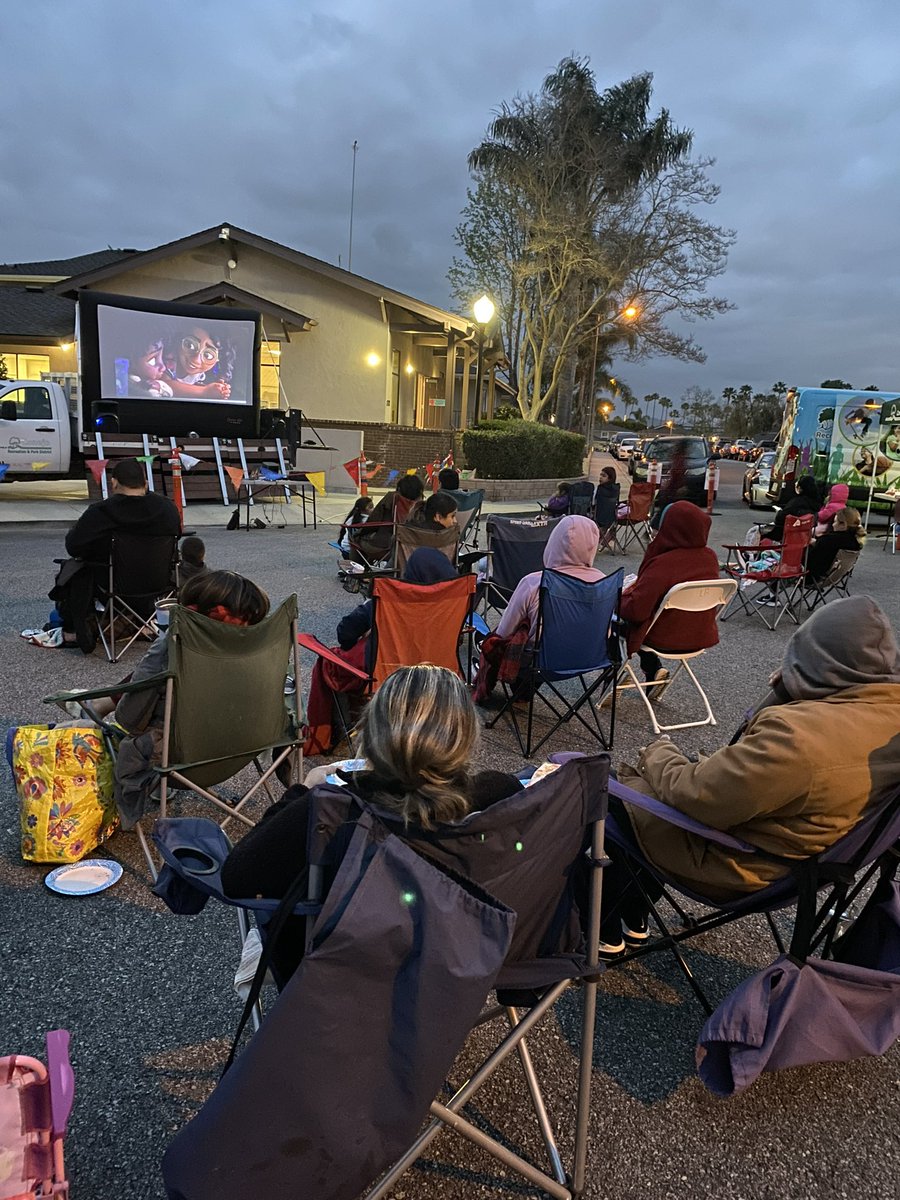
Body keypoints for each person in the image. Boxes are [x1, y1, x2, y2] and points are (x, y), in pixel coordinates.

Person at [600, 595, 900, 955]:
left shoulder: (800, 738)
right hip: (805, 864)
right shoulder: (887, 720)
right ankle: (634, 914)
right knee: (654, 788)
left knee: (607, 796)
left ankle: (602, 925)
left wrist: (657, 751)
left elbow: (698, 797)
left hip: (739, 864)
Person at [223, 664, 523, 985]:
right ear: (466, 735)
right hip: (455, 963)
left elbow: (236, 878)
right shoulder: (501, 794)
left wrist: (304, 790)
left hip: (340, 974)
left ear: (373, 732)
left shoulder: (330, 810)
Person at [304, 548, 460, 754]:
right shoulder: (454, 603)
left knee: (330, 662)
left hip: (387, 673)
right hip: (439, 675)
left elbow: (345, 631)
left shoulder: (390, 599)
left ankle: (339, 733)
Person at [50, 458, 181, 651]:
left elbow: (74, 546)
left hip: (113, 588)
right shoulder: (167, 509)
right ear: (145, 482)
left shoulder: (101, 512)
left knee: (72, 575)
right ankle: (139, 624)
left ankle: (79, 630)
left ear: (114, 482)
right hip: (159, 586)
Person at [473, 515, 603, 701]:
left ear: (554, 543)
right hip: (588, 660)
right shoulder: (604, 582)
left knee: (500, 639)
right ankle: (523, 693)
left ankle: (513, 690)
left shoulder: (534, 582)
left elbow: (503, 632)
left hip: (540, 662)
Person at [618, 501, 721, 699]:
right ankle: (653, 669)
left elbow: (637, 610)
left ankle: (613, 677)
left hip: (663, 637)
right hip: (698, 635)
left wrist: (618, 597)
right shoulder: (709, 558)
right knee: (652, 617)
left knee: (616, 620)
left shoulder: (663, 562)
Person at [355, 474, 424, 558]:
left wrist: (359, 533)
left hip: (384, 546)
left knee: (355, 541)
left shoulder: (392, 498)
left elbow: (373, 521)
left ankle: (355, 567)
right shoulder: (421, 506)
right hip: (411, 549)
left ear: (399, 489)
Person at [164, 327, 232, 399]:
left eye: (208, 355)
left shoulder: (201, 375)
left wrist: (218, 389)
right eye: (190, 345)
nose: (196, 359)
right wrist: (204, 391)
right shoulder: (169, 360)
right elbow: (163, 385)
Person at [805, 506, 865, 581]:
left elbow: (814, 557)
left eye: (835, 522)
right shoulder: (856, 542)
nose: (833, 525)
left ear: (843, 525)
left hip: (811, 576)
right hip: (832, 577)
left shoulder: (829, 539)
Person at [760, 473, 819, 543]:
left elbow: (780, 518)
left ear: (801, 488)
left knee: (755, 531)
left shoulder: (796, 502)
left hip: (783, 537)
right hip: (802, 540)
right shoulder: (817, 504)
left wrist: (779, 512)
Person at [593, 466, 619, 542]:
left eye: (604, 476)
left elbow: (593, 502)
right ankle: (606, 539)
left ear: (610, 478)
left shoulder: (600, 489)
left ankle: (596, 539)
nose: (600, 477)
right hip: (611, 518)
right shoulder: (616, 489)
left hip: (598, 517)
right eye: (600, 475)